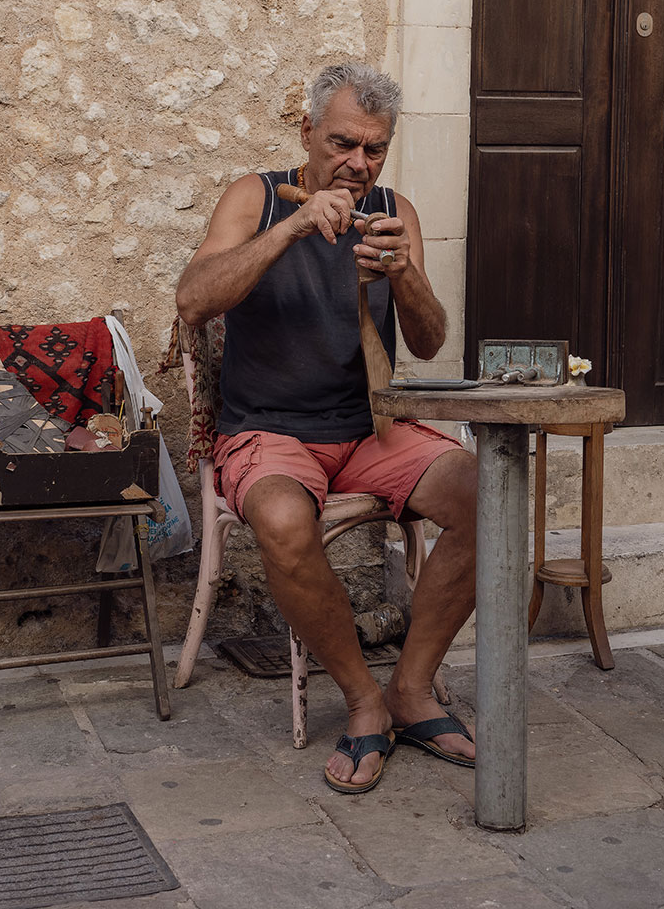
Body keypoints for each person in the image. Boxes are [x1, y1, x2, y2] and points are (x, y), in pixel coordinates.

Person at [176, 62, 479, 795]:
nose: (358, 163)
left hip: (370, 427)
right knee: (282, 518)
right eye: (344, 143)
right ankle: (363, 700)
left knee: (488, 494)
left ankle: (411, 688)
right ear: (307, 131)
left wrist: (404, 272)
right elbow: (193, 299)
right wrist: (292, 229)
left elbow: (432, 341)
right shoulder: (256, 197)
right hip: (271, 431)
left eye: (374, 148)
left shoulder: (392, 207)